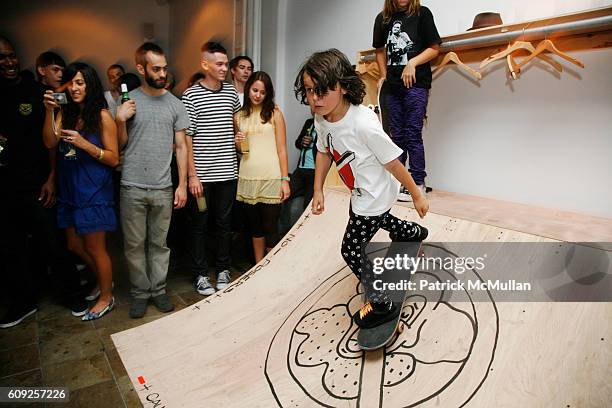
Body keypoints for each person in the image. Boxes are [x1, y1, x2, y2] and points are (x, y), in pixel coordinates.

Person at [294, 49, 429, 329]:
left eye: (320, 91)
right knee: (374, 221)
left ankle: (382, 302)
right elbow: (323, 152)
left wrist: (416, 193)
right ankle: (411, 232)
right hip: (363, 193)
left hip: (376, 194)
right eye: (309, 91)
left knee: (352, 249)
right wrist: (317, 189)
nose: (313, 99)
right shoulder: (321, 119)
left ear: (342, 86)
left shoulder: (363, 124)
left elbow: (393, 162)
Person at [0, 36, 86, 328]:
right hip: (6, 186)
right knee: (11, 248)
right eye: (2, 58)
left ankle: (73, 295)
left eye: (11, 56)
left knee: (54, 242)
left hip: (39, 182)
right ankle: (22, 302)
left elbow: (52, 143)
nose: (9, 62)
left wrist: (51, 177)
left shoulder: (38, 92)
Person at [115, 42, 189, 318]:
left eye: (164, 68)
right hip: (132, 185)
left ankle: (158, 290)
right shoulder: (128, 102)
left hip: (163, 187)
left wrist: (181, 184)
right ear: (140, 68)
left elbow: (181, 147)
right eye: (155, 68)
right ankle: (139, 293)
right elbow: (120, 145)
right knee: (134, 245)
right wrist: (120, 120)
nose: (162, 73)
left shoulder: (174, 104)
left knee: (159, 244)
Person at [42, 62, 119, 321]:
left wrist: (84, 144)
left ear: (90, 84)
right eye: (71, 83)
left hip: (94, 190)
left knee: (95, 247)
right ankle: (101, 278)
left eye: (80, 83)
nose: (75, 88)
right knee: (74, 243)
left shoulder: (102, 116)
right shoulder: (67, 112)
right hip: (70, 189)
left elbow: (113, 158)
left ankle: (107, 297)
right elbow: (49, 141)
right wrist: (50, 112)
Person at [182, 42, 240, 296]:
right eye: (219, 64)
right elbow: (187, 138)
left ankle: (223, 269)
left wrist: (239, 138)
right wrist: (192, 176)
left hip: (227, 173)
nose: (224, 68)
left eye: (226, 64)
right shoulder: (191, 95)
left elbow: (237, 125)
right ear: (204, 64)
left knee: (224, 223)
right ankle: (201, 274)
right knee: (199, 225)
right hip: (202, 178)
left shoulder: (230, 94)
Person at [373, 0, 440, 201]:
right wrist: (383, 75)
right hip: (393, 86)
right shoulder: (383, 19)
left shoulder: (422, 14)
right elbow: (379, 50)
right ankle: (400, 183)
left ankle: (418, 182)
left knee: (412, 133)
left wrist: (413, 62)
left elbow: (434, 47)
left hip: (416, 84)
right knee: (396, 137)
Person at [234, 71, 290, 262]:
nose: (257, 95)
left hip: (272, 178)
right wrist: (238, 142)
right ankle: (258, 266)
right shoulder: (239, 117)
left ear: (268, 94)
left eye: (262, 92)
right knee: (254, 227)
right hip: (248, 177)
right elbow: (243, 150)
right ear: (248, 89)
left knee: (271, 227)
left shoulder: (275, 113)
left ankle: (271, 267)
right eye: (254, 90)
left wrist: (285, 180)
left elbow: (282, 149)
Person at [290, 108, 317, 210]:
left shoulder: (327, 124)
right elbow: (297, 143)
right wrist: (302, 142)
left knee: (308, 205)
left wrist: (314, 142)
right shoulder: (309, 122)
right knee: (285, 193)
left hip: (315, 172)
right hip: (301, 168)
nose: (314, 109)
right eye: (312, 107)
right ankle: (284, 226)